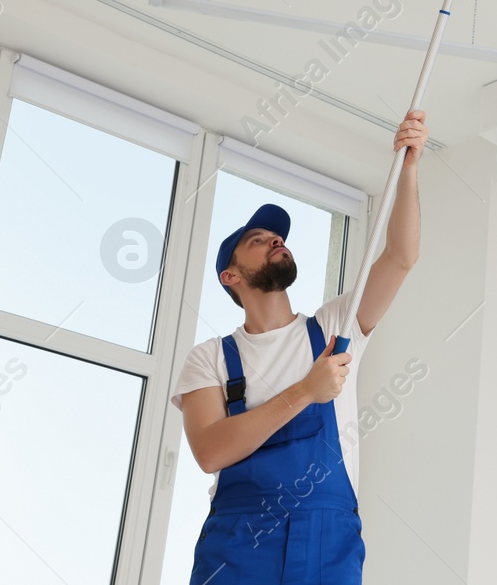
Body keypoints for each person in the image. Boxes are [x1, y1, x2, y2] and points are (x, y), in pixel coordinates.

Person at [171, 110, 427, 584]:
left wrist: (409, 169)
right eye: (257, 239)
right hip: (238, 542)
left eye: (278, 237)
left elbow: (401, 257)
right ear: (231, 276)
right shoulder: (209, 358)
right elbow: (210, 451)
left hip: (328, 542)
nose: (275, 240)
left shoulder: (334, 327)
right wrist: (307, 391)